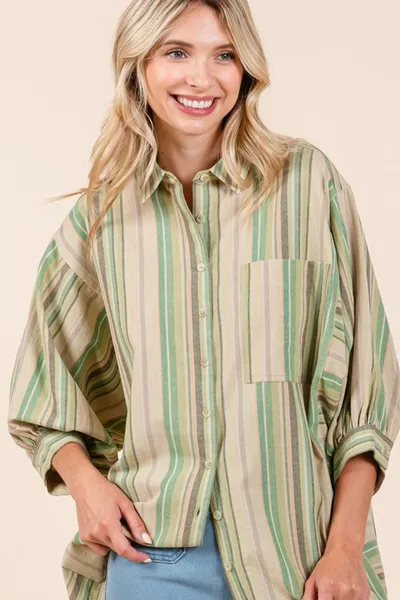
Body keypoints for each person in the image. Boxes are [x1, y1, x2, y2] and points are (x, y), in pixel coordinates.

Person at [7, 0, 400, 599]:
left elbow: (367, 392)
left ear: (246, 69)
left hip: (297, 558)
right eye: (177, 52)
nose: (201, 77)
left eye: (224, 55)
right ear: (139, 64)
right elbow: (44, 386)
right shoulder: (102, 219)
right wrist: (86, 487)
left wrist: (344, 547)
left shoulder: (306, 185)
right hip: (153, 556)